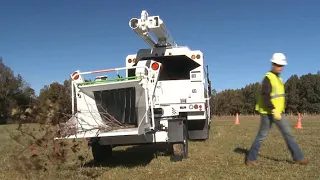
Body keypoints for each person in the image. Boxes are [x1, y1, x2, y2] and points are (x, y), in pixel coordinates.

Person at [245, 53, 309, 166]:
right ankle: (251, 159)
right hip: (267, 113)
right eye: (278, 65)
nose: (280, 67)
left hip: (278, 113)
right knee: (262, 136)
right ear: (273, 64)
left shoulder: (278, 79)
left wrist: (278, 110)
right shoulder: (268, 78)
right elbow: (265, 96)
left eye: (282, 65)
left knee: (288, 133)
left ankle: (298, 158)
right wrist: (273, 110)